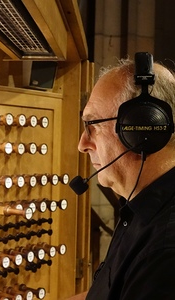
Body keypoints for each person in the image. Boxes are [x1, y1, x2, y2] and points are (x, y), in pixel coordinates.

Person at [70, 56, 175, 299]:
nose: (82, 144)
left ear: (140, 130)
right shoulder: (141, 205)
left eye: (92, 125)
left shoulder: (165, 252)